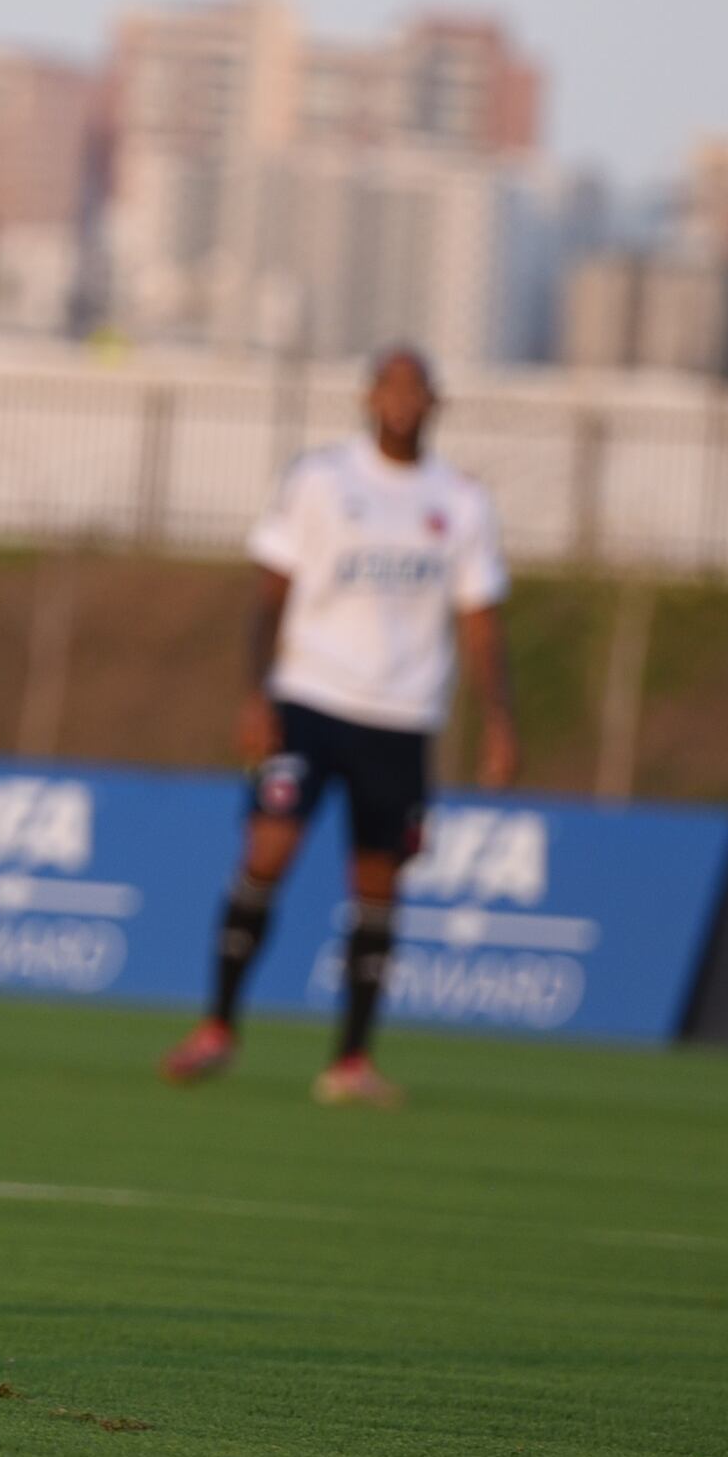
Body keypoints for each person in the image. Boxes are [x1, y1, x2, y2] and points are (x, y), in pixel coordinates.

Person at [158, 344, 515, 1105]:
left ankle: (350, 1059)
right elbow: (270, 593)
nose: (402, 401)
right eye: (389, 387)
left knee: (379, 882)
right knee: (267, 849)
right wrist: (256, 695)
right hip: (310, 699)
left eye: (416, 388)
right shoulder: (321, 479)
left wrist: (500, 720)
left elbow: (480, 618)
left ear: (434, 403)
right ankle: (218, 1024)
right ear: (367, 398)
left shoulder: (460, 500)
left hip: (402, 714)